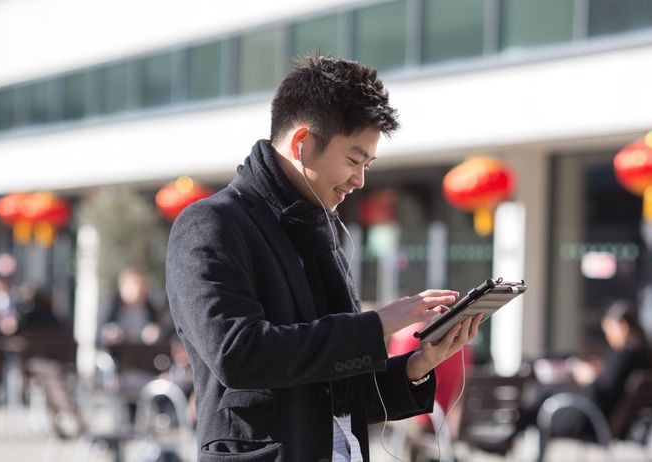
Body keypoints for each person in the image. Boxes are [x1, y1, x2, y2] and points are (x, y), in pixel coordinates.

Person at [166, 54, 482, 461]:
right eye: (353, 160)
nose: (360, 180)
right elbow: (238, 354)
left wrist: (418, 364)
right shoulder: (211, 223)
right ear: (302, 144)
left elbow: (339, 389)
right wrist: (377, 324)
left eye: (367, 164)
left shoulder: (320, 229)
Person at [524, 299, 652, 440]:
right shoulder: (644, 356)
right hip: (605, 419)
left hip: (591, 421)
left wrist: (586, 375)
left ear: (623, 326)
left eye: (609, 331)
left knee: (543, 396)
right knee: (548, 393)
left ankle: (516, 427)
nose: (608, 337)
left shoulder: (626, 355)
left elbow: (603, 388)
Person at [99, 267, 161, 346]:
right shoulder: (113, 306)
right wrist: (111, 333)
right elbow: (103, 331)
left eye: (143, 284)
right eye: (136, 283)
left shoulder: (149, 307)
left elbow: (157, 327)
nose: (140, 289)